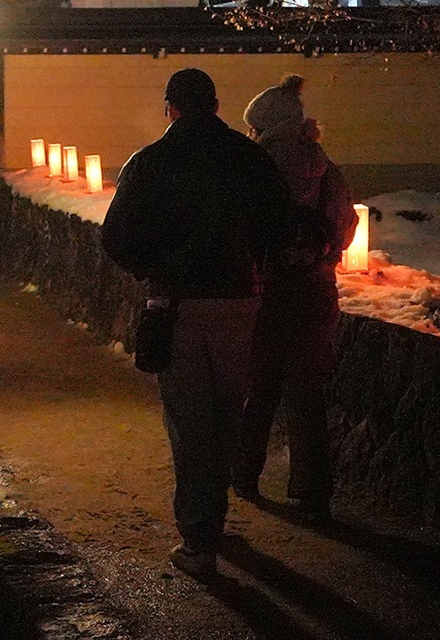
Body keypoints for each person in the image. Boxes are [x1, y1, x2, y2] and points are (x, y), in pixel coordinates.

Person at [102, 67, 291, 583]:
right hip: (241, 299)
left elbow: (116, 236)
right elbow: (280, 224)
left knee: (188, 419)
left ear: (171, 107)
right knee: (229, 410)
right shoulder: (248, 157)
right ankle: (215, 517)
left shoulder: (151, 162)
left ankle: (199, 537)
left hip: (180, 304)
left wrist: (157, 269)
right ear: (215, 104)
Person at [233, 74, 355, 521]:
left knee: (256, 389)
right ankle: (310, 491)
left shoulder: (251, 170)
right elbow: (344, 229)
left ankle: (244, 475)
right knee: (307, 394)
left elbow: (239, 230)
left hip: (263, 291)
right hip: (314, 292)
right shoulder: (328, 170)